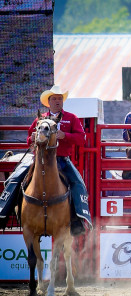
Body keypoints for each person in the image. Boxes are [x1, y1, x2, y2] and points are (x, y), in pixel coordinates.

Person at [0, 85, 92, 236]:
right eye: (54, 98)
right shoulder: (40, 119)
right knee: (14, 178)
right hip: (39, 159)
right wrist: (33, 138)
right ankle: (4, 213)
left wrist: (65, 136)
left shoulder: (71, 118)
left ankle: (78, 220)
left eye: (60, 98)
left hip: (61, 159)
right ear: (48, 102)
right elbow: (29, 138)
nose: (57, 101)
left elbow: (82, 138)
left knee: (78, 183)